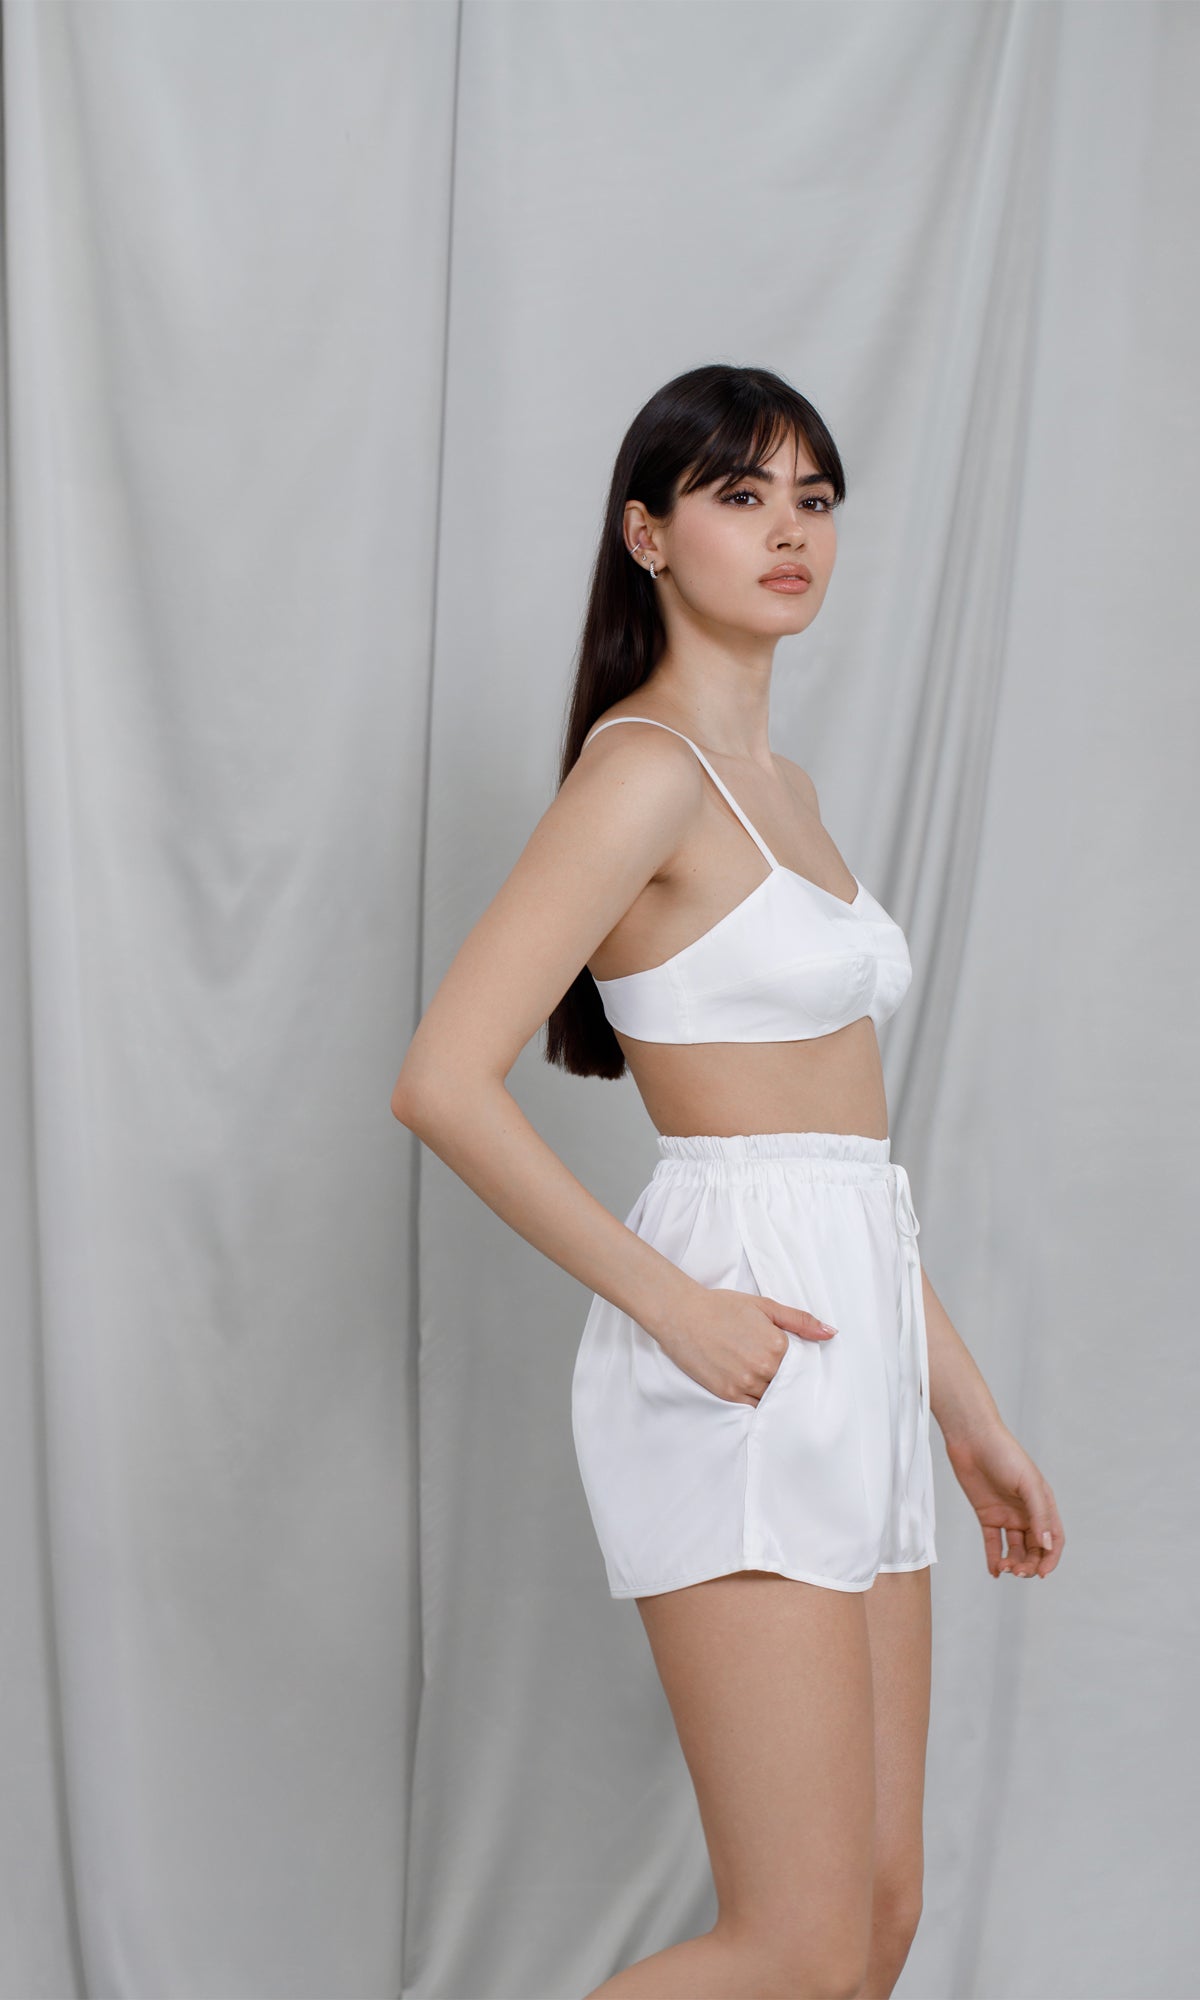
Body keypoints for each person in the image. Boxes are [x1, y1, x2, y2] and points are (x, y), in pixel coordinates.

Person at [390, 362, 1064, 2000]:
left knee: (878, 1917)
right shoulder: (644, 774)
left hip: (858, 1340)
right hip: (737, 1346)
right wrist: (674, 1306)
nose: (789, 532)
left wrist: (962, 1407)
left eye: (813, 500)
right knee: (795, 1941)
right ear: (648, 534)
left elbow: (843, 1164)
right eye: (741, 496)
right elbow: (440, 1081)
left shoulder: (788, 794)